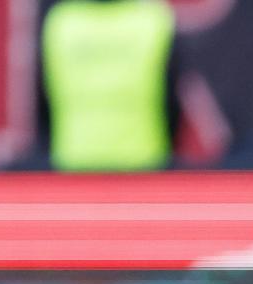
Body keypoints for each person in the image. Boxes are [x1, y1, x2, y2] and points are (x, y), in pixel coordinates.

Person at [39, 0, 179, 171]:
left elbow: (43, 96)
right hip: (144, 159)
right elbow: (173, 97)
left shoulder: (61, 20)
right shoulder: (153, 19)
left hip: (74, 159)